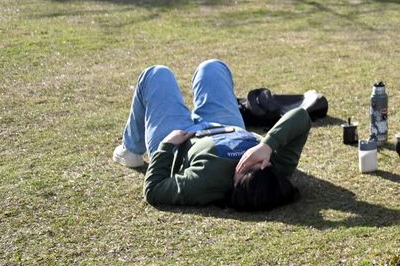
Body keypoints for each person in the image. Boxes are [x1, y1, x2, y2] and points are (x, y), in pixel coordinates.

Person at [112, 58, 312, 210]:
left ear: (235, 183)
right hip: (225, 125)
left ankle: (131, 150)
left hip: (179, 137)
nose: (252, 161)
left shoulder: (205, 183)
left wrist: (166, 145)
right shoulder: (276, 170)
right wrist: (266, 146)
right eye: (260, 165)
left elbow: (153, 191)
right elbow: (301, 116)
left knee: (156, 74)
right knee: (213, 67)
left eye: (245, 168)